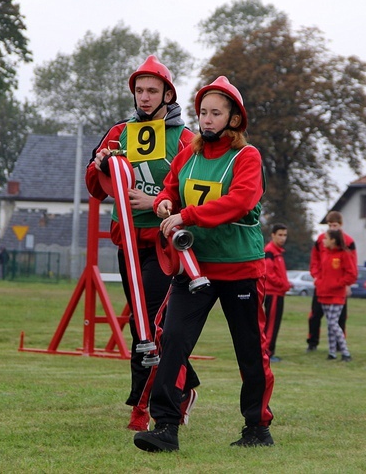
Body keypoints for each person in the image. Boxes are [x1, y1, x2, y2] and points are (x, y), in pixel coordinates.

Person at [133, 76, 274, 452]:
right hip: (193, 268)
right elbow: (169, 186)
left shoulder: (247, 157)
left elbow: (240, 202)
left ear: (234, 120)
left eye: (216, 113)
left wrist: (185, 216)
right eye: (204, 113)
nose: (207, 120)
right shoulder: (188, 155)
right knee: (172, 340)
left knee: (250, 350)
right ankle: (166, 426)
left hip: (240, 269)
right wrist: (165, 202)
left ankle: (257, 427)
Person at [85, 55, 199, 432]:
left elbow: (195, 197)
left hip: (167, 246)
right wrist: (102, 165)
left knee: (151, 325)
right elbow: (93, 187)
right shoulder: (118, 132)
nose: (145, 97)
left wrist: (155, 202)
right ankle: (181, 386)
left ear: (168, 93)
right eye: (139, 90)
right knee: (142, 326)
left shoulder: (185, 138)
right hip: (128, 243)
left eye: (153, 90)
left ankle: (149, 404)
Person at [307, 211, 357, 352]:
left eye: (334, 225)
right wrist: (317, 277)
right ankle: (312, 342)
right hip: (322, 285)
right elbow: (314, 260)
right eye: (329, 225)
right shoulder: (321, 239)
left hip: (338, 287)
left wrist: (347, 284)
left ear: (340, 225)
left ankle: (339, 347)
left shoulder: (348, 242)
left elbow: (352, 265)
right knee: (315, 314)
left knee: (339, 317)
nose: (332, 228)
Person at [263, 223, 292, 363]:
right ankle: (267, 352)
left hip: (278, 292)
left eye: (285, 235)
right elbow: (269, 273)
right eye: (280, 235)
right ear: (273, 235)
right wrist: (283, 285)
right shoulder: (270, 251)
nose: (283, 238)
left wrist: (286, 284)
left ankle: (268, 351)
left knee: (274, 323)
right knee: (272, 324)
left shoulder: (278, 252)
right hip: (273, 293)